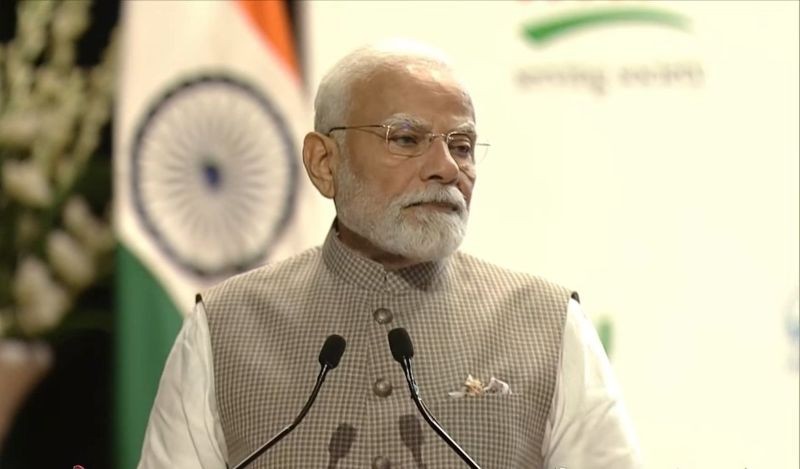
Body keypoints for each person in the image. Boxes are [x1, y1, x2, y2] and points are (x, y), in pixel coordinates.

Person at [138, 40, 641, 469]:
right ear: (324, 162)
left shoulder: (548, 324)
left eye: (462, 146)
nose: (446, 168)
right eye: (406, 139)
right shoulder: (225, 326)